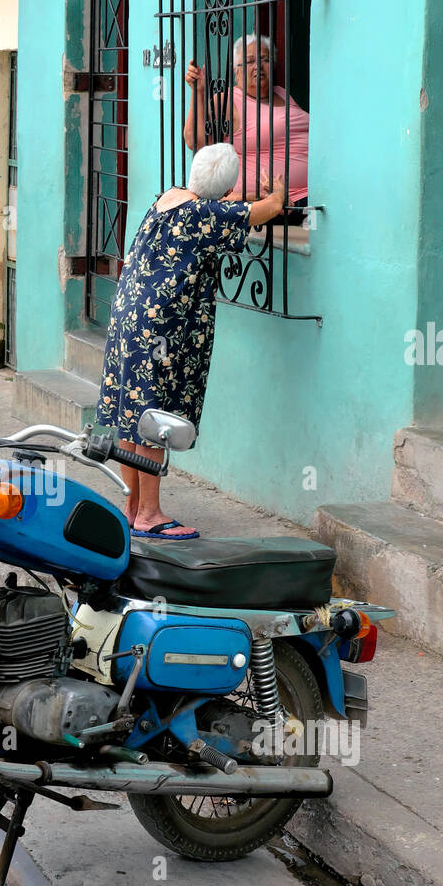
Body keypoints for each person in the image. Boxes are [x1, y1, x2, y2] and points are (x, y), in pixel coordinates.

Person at [96, 143, 284, 540]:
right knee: (155, 418)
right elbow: (262, 212)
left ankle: (131, 507)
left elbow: (222, 207)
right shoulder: (205, 215)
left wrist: (232, 197)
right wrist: (278, 192)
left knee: (133, 413)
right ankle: (150, 513)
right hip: (162, 328)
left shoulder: (170, 198)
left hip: (130, 316)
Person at [183, 36, 309, 223]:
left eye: (264, 60)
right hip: (275, 204)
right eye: (249, 61)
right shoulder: (229, 100)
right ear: (236, 70)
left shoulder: (282, 93)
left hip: (308, 197)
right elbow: (195, 141)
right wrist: (198, 92)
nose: (257, 66)